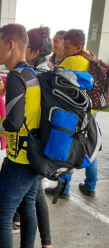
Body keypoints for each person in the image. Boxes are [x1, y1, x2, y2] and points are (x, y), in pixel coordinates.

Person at [0, 23, 41, 248]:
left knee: (1, 217)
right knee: (28, 209)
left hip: (20, 161)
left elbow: (15, 124)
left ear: (11, 44)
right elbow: (27, 117)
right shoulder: (33, 74)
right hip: (37, 155)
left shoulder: (16, 76)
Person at [45, 29, 99, 199]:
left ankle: (63, 189)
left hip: (72, 112)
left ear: (78, 46)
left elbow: (55, 81)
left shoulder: (72, 60)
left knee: (67, 146)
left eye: (67, 47)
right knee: (90, 146)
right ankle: (90, 185)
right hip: (91, 110)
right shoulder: (90, 55)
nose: (64, 50)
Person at [12, 26, 53, 248]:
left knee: (35, 197)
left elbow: (25, 115)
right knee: (34, 196)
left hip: (36, 144)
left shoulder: (36, 73)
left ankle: (46, 242)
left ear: (33, 51)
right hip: (40, 142)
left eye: (24, 47)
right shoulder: (42, 71)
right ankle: (45, 242)